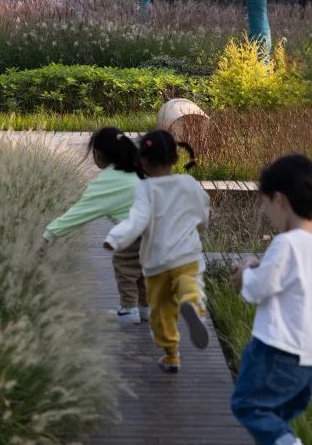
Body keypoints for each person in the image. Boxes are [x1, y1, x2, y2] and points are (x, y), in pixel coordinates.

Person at [230, 155, 312, 445]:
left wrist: (245, 271)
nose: (268, 213)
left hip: (276, 349)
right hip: (309, 356)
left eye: (266, 204)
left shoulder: (286, 243)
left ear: (279, 199)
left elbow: (257, 289)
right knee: (276, 419)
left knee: (249, 406)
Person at [104, 130, 211, 372]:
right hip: (187, 255)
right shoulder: (188, 183)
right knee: (189, 284)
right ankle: (193, 305)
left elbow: (137, 220)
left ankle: (171, 355)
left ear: (142, 161)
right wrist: (201, 226)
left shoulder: (145, 189)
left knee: (161, 311)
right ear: (176, 157)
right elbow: (202, 210)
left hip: (157, 261)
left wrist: (115, 238)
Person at [43, 127, 149, 324]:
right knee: (143, 270)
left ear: (97, 154)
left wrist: (48, 234)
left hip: (135, 232)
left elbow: (77, 214)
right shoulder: (138, 168)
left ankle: (128, 309)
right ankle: (146, 308)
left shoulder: (108, 181)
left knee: (125, 268)